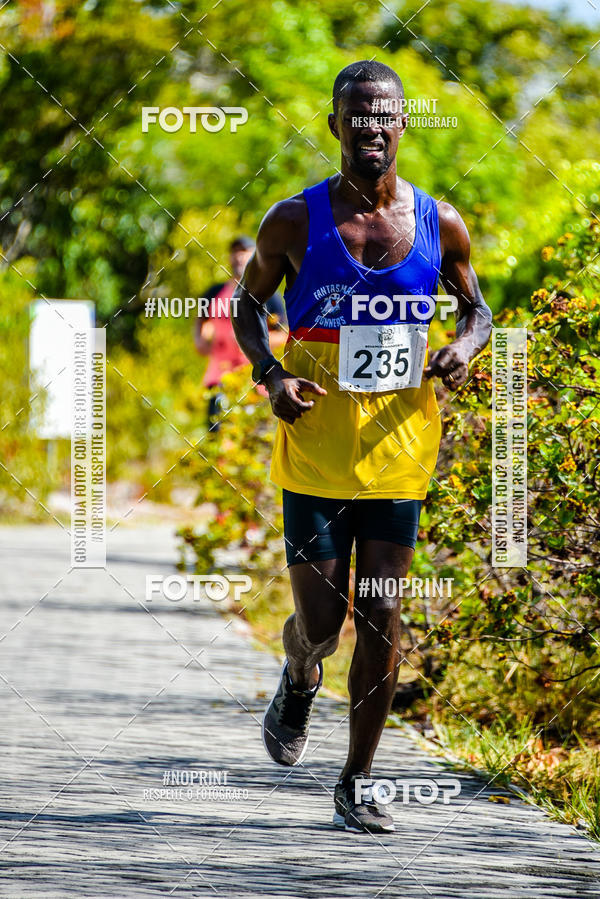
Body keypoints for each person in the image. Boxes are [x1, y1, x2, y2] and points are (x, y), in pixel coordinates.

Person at [232, 60, 492, 833]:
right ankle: (301, 668)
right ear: (337, 125)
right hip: (315, 444)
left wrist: (466, 347)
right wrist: (271, 374)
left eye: (385, 116)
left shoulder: (441, 223)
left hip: (399, 446)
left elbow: (478, 310)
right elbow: (250, 310)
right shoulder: (294, 220)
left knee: (380, 613)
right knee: (322, 616)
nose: (372, 127)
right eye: (357, 115)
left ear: (403, 125)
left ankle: (357, 780)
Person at [195, 235, 287, 431]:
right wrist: (200, 340)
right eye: (235, 252)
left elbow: (284, 334)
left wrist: (250, 339)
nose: (239, 257)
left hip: (256, 381)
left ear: (254, 256)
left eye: (244, 251)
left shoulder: (268, 294)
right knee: (217, 437)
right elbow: (201, 322)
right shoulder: (214, 292)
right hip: (220, 380)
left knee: (256, 439)